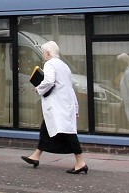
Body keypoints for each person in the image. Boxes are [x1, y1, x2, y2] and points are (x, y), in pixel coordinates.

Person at [20, 41, 88, 174]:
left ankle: (81, 162)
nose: (44, 55)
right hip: (65, 104)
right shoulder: (64, 66)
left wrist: (38, 89)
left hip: (58, 106)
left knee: (69, 134)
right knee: (46, 128)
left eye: (44, 52)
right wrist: (76, 107)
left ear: (48, 53)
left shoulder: (50, 64)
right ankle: (36, 156)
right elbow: (69, 87)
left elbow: (49, 81)